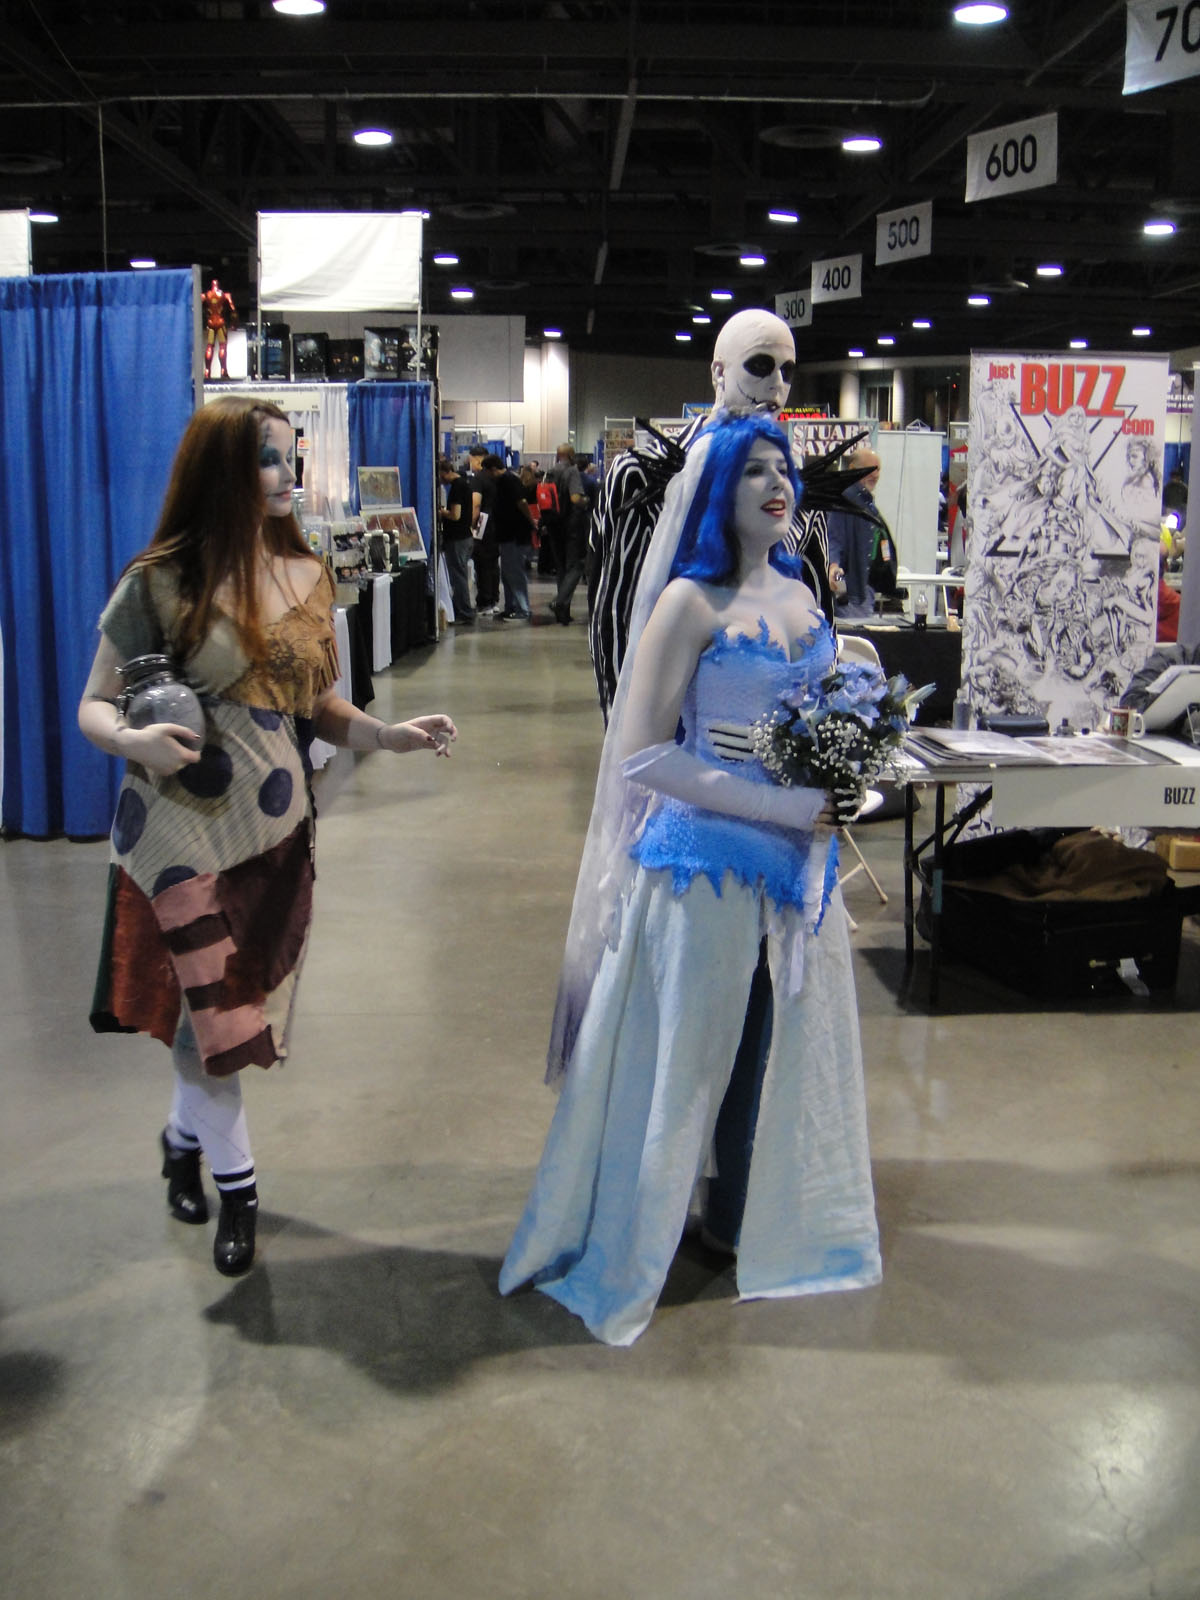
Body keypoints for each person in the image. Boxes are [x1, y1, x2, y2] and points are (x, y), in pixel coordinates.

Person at [500, 412, 881, 1345]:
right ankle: (646, 1232)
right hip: (702, 876)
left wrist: (841, 780)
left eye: (781, 468)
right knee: (680, 1067)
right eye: (752, 470)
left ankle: (755, 1219)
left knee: (778, 1058)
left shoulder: (799, 596)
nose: (774, 483)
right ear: (718, 491)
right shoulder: (688, 604)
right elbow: (639, 758)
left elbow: (825, 726)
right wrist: (778, 806)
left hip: (799, 880)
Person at [78, 397, 457, 1278]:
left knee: (215, 1022)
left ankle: (181, 1144)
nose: (287, 476)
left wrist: (388, 735)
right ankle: (239, 1190)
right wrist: (130, 738)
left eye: (291, 457)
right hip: (173, 836)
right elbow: (94, 704)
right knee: (217, 1025)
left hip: (273, 828)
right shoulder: (159, 582)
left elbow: (317, 707)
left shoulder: (309, 579)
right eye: (266, 460)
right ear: (222, 472)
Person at [588, 309, 852, 722]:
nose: (777, 385)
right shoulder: (644, 475)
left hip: (779, 729)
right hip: (675, 725)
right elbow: (617, 616)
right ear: (719, 372)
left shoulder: (796, 481)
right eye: (760, 366)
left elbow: (816, 598)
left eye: (787, 371)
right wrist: (623, 731)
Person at [826, 447, 896, 619]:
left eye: (878, 469)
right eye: (869, 469)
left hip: (864, 587)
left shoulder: (865, 501)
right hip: (849, 590)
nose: (875, 474)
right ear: (852, 469)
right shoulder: (844, 499)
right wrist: (833, 566)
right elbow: (833, 538)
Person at [482, 453, 535, 619]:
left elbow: (522, 502)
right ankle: (511, 606)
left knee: (515, 573)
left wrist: (531, 521)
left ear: (493, 469)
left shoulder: (509, 481)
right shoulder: (503, 481)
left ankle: (523, 609)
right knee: (507, 574)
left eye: (487, 471)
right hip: (507, 535)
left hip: (514, 535)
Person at [546, 443, 590, 625]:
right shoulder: (572, 471)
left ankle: (563, 612)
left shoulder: (550, 472)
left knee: (562, 568)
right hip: (571, 526)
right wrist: (586, 500)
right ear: (571, 455)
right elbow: (575, 498)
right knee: (577, 566)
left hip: (554, 525)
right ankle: (559, 601)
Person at [437, 455, 476, 624]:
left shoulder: (457, 487)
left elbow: (455, 515)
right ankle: (462, 608)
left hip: (458, 538)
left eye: (440, 475)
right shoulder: (463, 484)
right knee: (459, 574)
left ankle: (465, 611)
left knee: (458, 576)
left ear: (445, 472)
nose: (440, 480)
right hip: (464, 537)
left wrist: (441, 512)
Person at [466, 445, 499, 614]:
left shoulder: (478, 479)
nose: (469, 463)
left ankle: (485, 601)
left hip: (482, 527)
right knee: (493, 564)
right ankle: (493, 599)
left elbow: (476, 504)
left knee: (483, 563)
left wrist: (471, 525)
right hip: (496, 526)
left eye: (470, 459)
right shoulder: (495, 478)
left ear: (478, 459)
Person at [202, 278, 236, 380]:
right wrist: (234, 323)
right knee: (222, 346)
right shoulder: (225, 295)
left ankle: (207, 371)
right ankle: (223, 370)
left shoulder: (205, 295)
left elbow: (196, 308)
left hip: (211, 323)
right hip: (220, 323)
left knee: (209, 346)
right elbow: (233, 309)